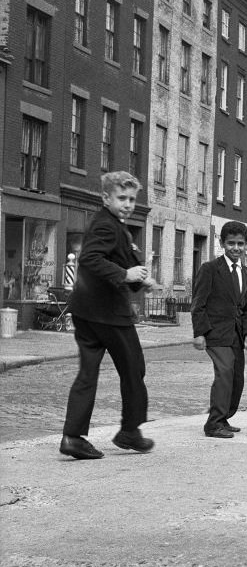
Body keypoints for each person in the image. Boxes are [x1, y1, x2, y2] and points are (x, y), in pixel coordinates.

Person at [60, 171, 155, 459]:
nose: (127, 204)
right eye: (121, 198)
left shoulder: (112, 224)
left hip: (86, 312)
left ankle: (72, 438)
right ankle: (129, 430)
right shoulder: (107, 225)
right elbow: (90, 258)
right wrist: (126, 274)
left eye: (131, 199)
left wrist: (140, 280)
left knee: (87, 374)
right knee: (134, 369)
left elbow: (115, 262)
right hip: (108, 315)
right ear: (106, 198)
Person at [191, 221, 247, 438]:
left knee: (237, 377)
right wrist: (199, 333)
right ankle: (213, 423)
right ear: (222, 243)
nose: (236, 248)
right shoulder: (210, 269)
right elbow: (198, 303)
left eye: (240, 244)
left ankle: (225, 417)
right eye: (231, 243)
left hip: (237, 335)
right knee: (225, 372)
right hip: (216, 333)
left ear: (246, 245)